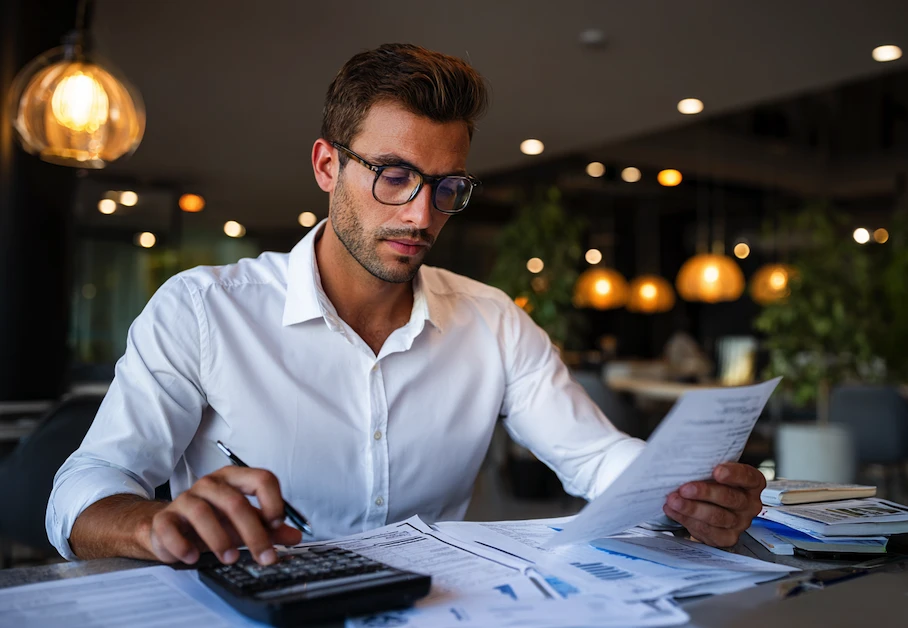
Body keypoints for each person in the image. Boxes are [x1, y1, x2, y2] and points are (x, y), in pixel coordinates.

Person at [47, 44, 765, 567]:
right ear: (328, 166)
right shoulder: (203, 310)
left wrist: (688, 493)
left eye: (448, 187)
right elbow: (87, 487)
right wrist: (156, 524)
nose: (422, 215)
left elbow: (597, 460)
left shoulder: (492, 321)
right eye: (394, 176)